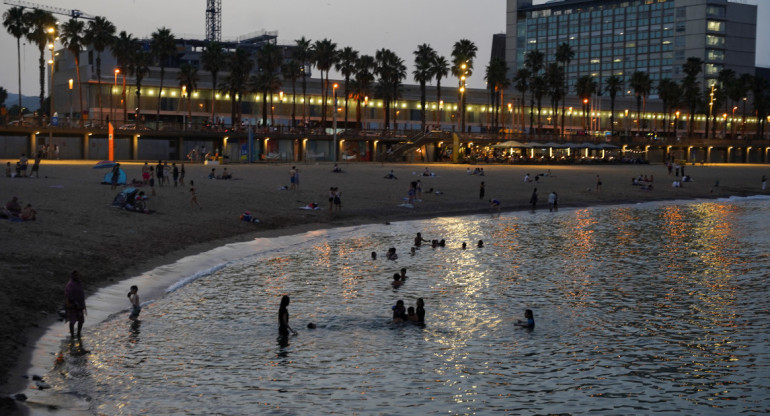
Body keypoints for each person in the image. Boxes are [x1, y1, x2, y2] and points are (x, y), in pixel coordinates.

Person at [65, 271, 86, 338]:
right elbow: (68, 295)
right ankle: (72, 335)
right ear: (72, 276)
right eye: (75, 275)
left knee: (81, 320)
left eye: (77, 275)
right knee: (72, 321)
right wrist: (74, 302)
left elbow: (82, 294)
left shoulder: (79, 283)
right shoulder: (70, 284)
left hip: (80, 305)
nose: (76, 277)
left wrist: (83, 304)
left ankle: (78, 333)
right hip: (72, 306)